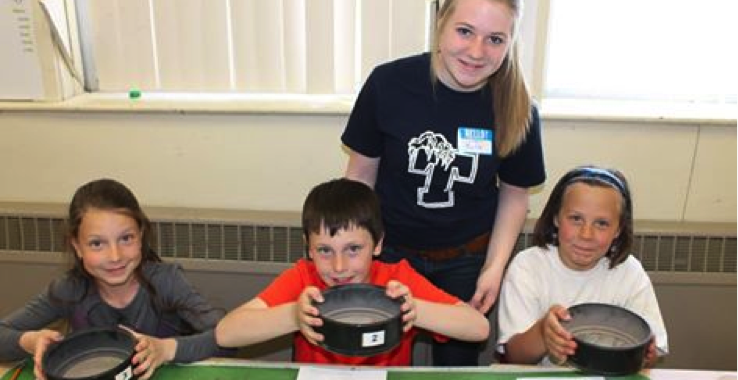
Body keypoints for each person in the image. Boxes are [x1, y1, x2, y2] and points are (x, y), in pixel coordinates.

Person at [341, 0, 545, 366]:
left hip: (466, 261)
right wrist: (354, 250)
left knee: (456, 368)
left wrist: (494, 268)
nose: (476, 52)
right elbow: (360, 176)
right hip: (389, 253)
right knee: (376, 356)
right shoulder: (388, 84)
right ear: (441, 23)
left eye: (495, 39)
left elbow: (514, 195)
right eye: (465, 31)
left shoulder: (519, 107)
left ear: (511, 42)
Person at [215, 178, 489, 366]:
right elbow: (226, 333)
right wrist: (293, 316)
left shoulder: (398, 279)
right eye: (324, 250)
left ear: (378, 244)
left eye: (353, 249)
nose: (339, 267)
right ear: (308, 248)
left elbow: (478, 327)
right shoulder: (303, 278)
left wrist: (414, 309)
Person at [0, 179, 229, 380]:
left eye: (126, 238)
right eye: (97, 243)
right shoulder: (69, 289)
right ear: (77, 246)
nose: (115, 256)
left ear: (141, 235)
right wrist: (29, 341)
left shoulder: (166, 282)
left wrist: (166, 349)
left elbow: (228, 339)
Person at [496, 166, 669, 367]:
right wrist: (544, 332)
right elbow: (514, 356)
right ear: (556, 218)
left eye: (602, 223)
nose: (586, 235)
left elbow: (652, 353)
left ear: (619, 229)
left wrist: (645, 354)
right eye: (576, 219)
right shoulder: (528, 266)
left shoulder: (630, 272)